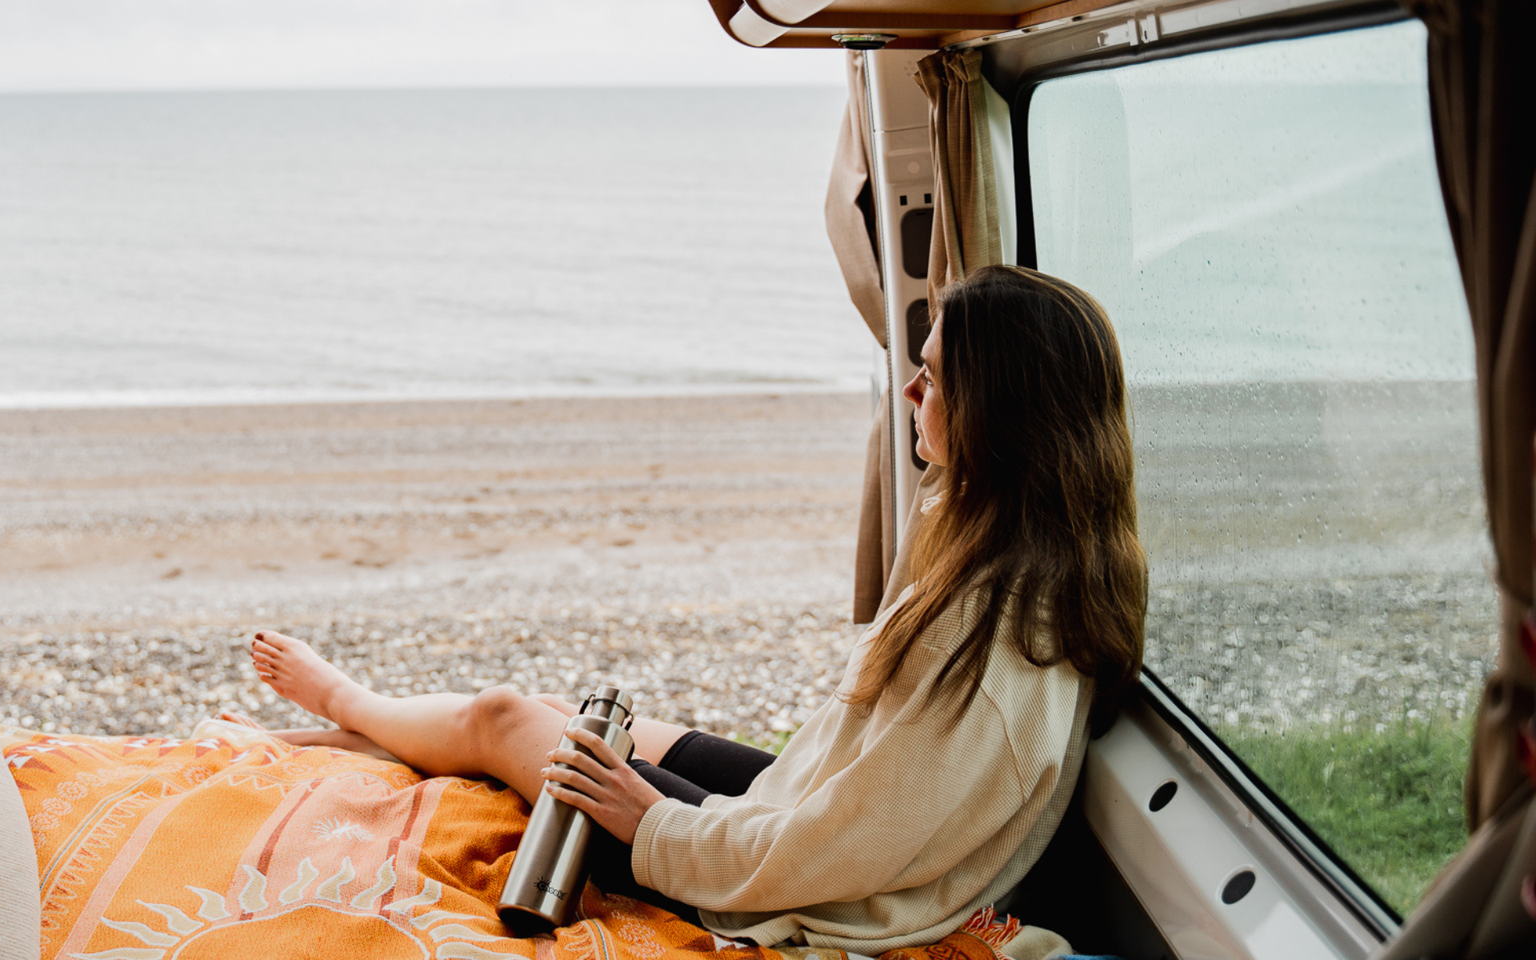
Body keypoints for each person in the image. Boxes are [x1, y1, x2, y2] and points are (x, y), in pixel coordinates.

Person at [249, 264, 1147, 953]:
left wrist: (654, 825)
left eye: (934, 378)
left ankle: (345, 707)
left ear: (1001, 413)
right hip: (802, 809)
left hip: (808, 884)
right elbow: (876, 797)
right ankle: (378, 740)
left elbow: (847, 853)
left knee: (507, 718)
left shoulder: (983, 644)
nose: (911, 393)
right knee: (611, 729)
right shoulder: (1032, 551)